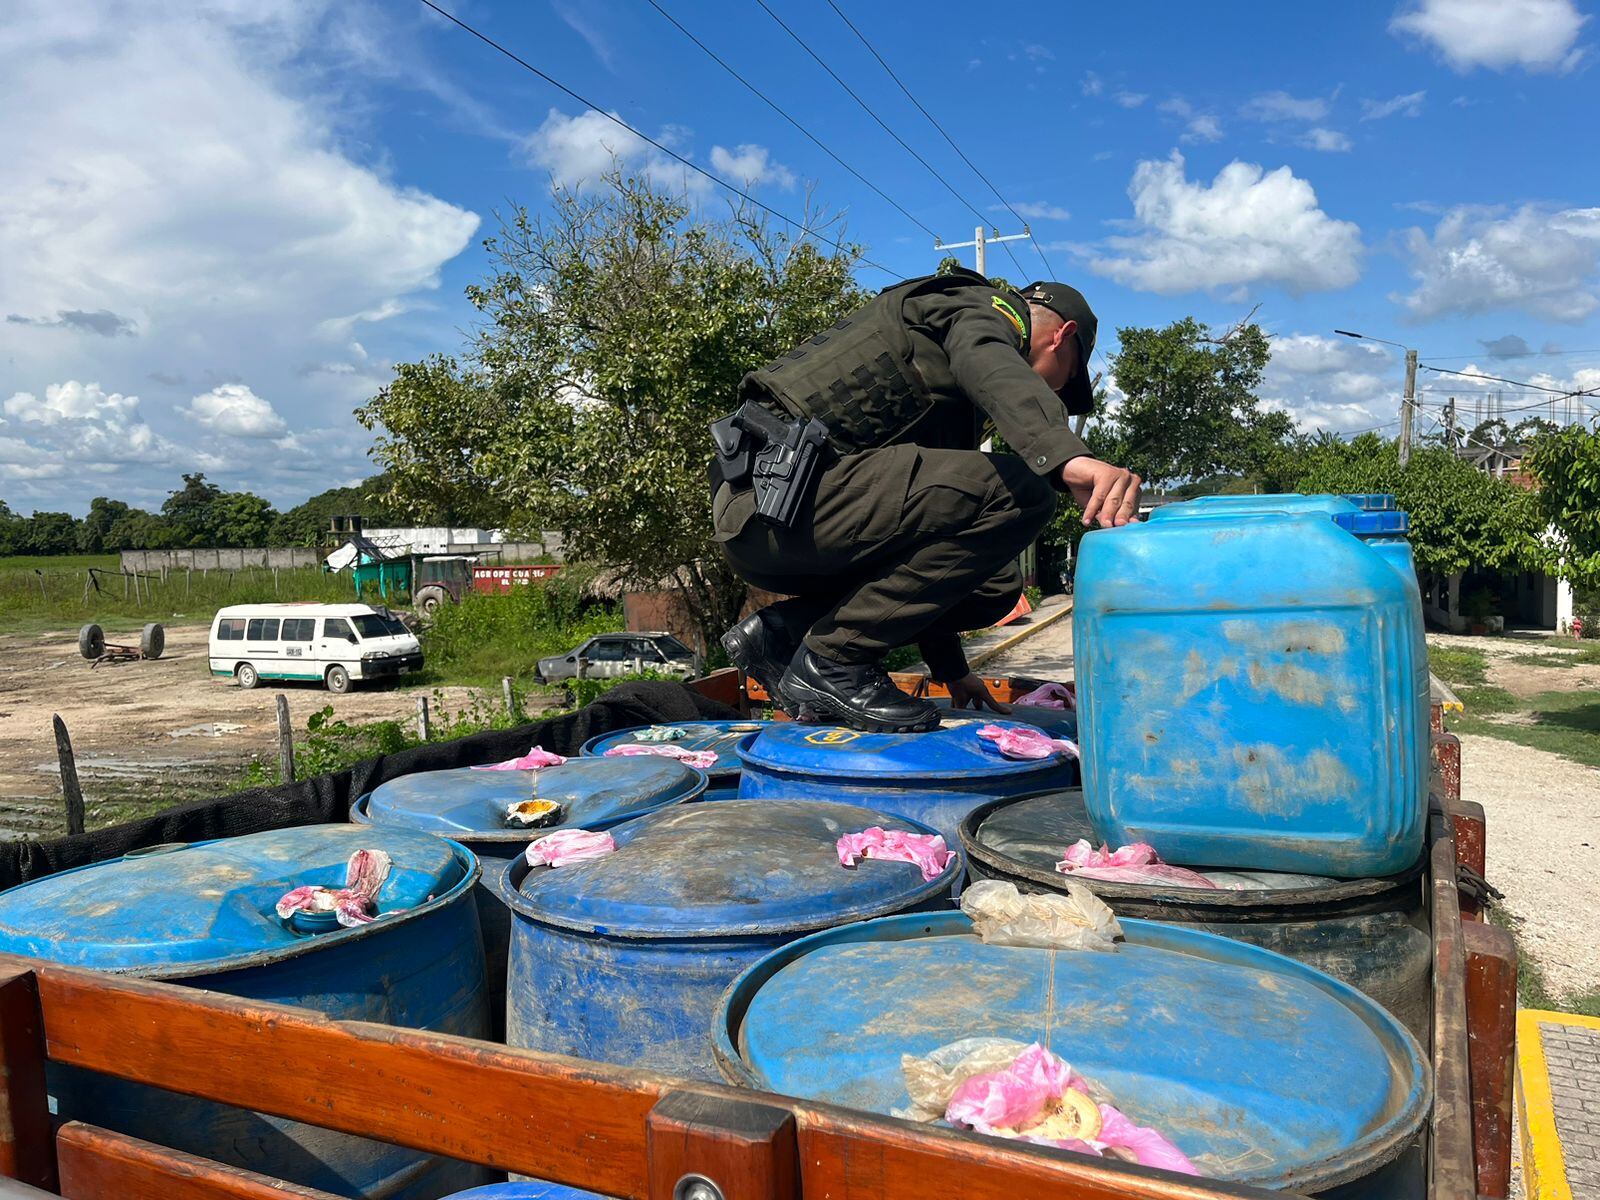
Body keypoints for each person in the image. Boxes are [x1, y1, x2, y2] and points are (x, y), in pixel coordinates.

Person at [709, 267, 1141, 733]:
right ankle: (832, 660)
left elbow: (936, 555)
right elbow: (989, 361)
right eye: (1066, 381)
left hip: (790, 516)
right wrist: (1064, 457)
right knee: (1024, 492)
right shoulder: (980, 311)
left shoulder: (949, 389)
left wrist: (952, 670)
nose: (1054, 391)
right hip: (778, 503)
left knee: (992, 585)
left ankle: (784, 635)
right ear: (1062, 336)